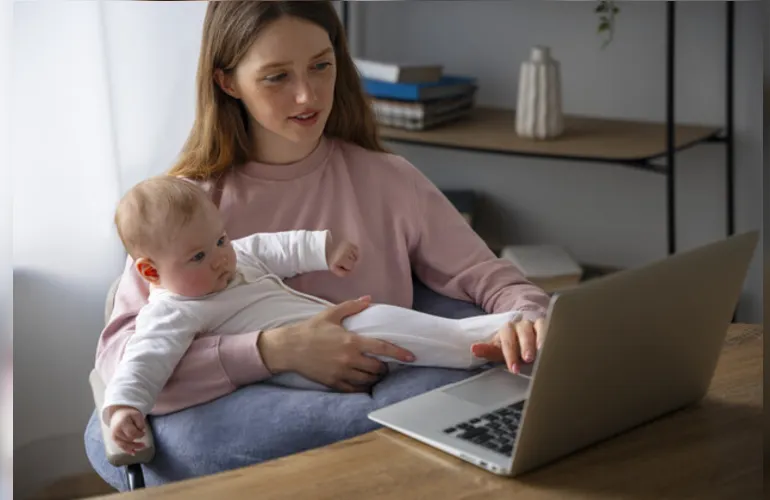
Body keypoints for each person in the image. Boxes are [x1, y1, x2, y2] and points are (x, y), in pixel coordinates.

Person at [87, 0, 550, 488]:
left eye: (321, 66)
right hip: (268, 426)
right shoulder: (187, 207)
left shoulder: (389, 180)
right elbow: (124, 360)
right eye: (276, 77)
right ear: (227, 82)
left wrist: (529, 318)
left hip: (386, 392)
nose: (307, 96)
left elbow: (488, 276)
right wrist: (272, 351)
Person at [103, 176, 524, 454]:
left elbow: (275, 247)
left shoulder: (235, 258)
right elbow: (145, 357)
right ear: (151, 271)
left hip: (323, 335)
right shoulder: (171, 310)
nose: (219, 259)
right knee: (382, 324)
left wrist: (325, 249)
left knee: (387, 328)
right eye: (198, 255)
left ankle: (496, 339)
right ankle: (486, 339)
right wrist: (124, 406)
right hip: (301, 368)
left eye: (220, 240)